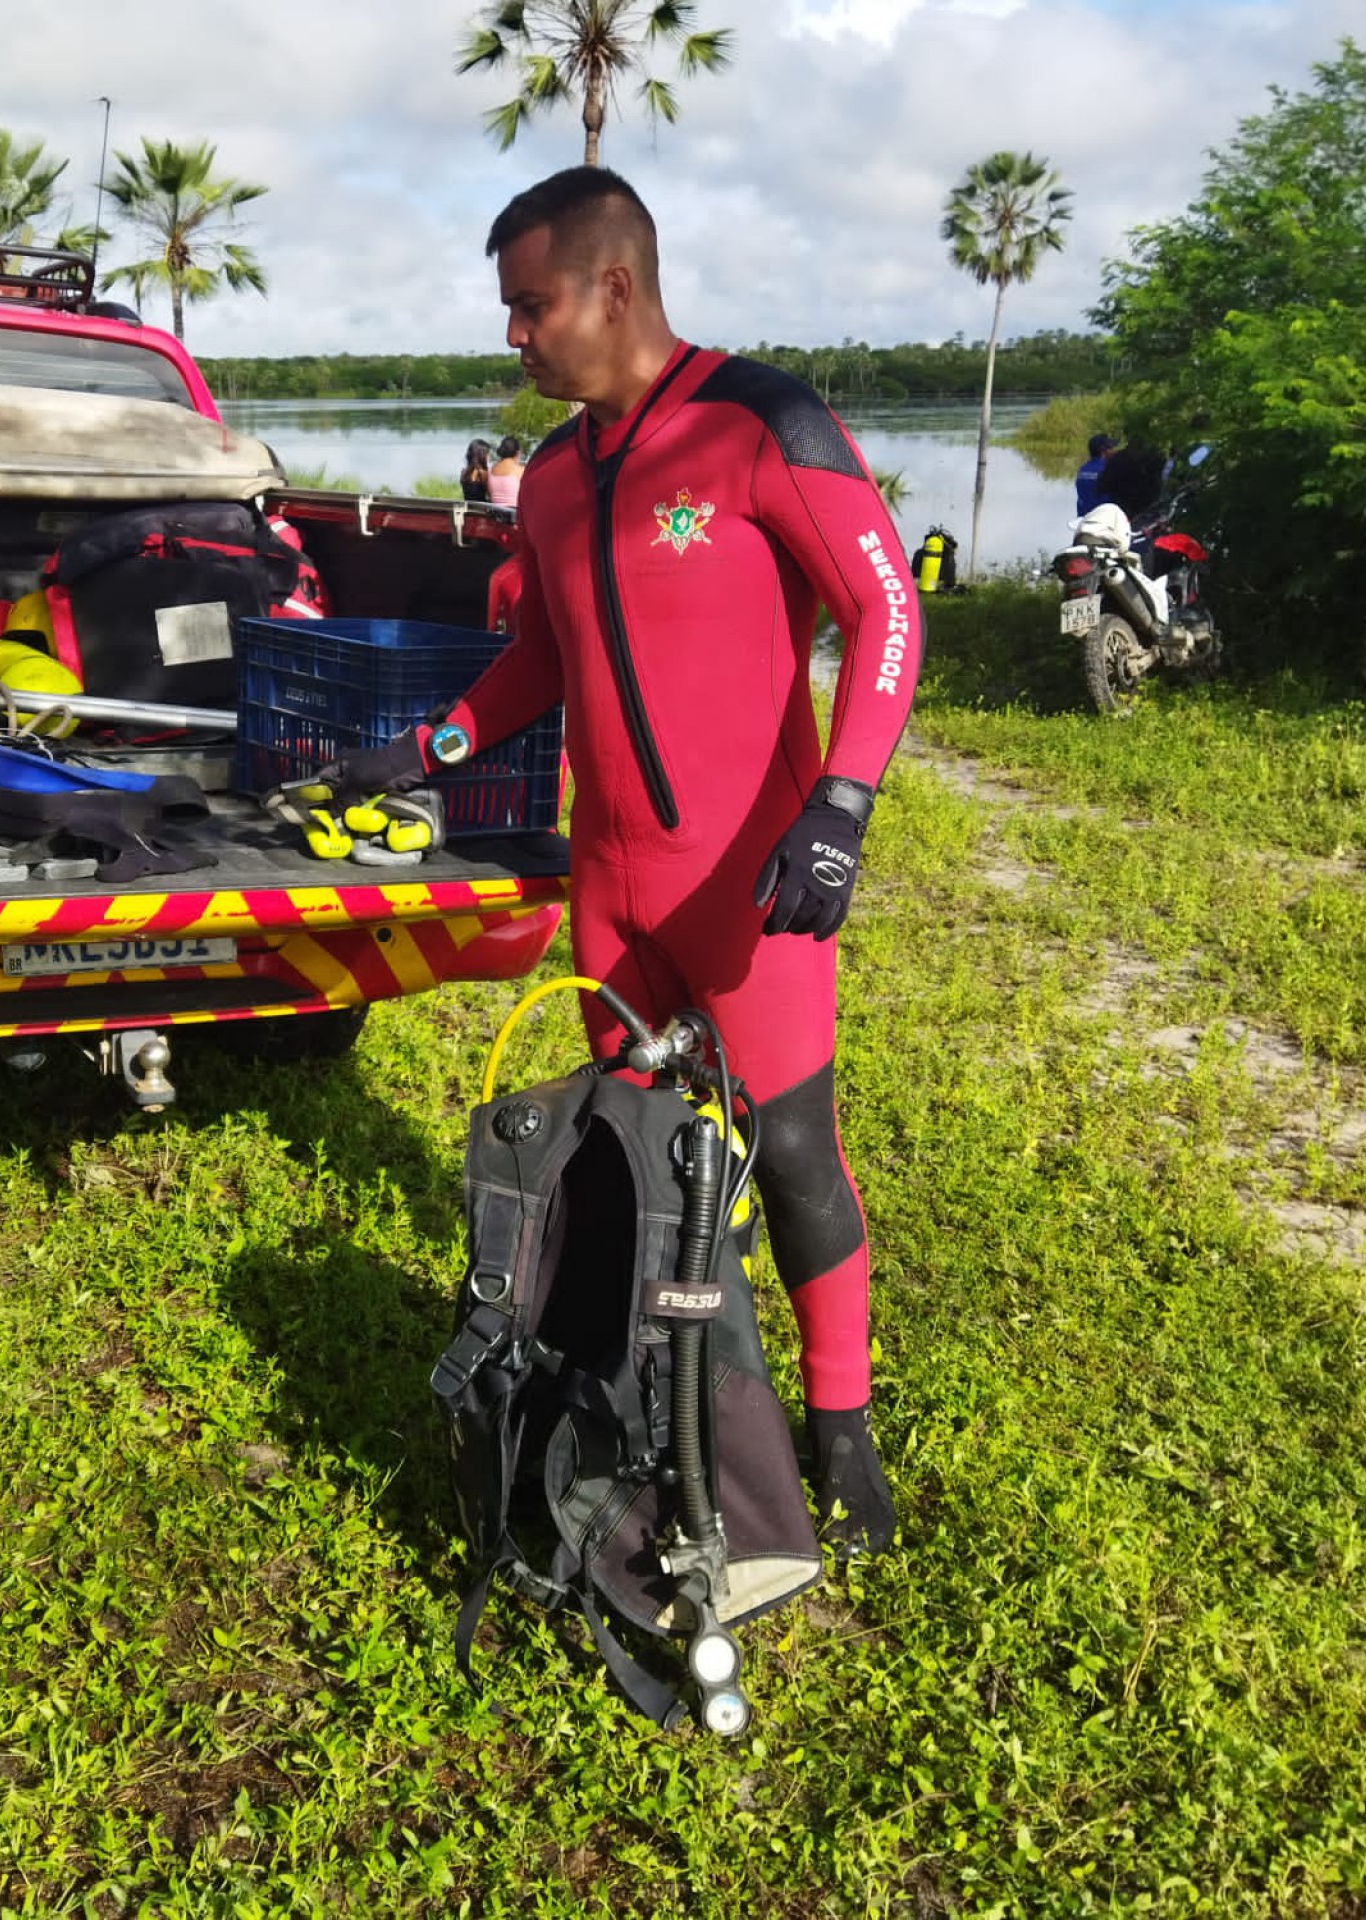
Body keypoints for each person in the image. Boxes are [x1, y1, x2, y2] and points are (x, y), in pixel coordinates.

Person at [328, 167, 919, 1556]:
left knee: (790, 1154)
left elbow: (886, 612)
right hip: (615, 892)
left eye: (529, 306)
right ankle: (673, 1395)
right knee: (640, 1147)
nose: (513, 337)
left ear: (613, 285)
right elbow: (543, 652)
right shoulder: (546, 477)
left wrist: (840, 805)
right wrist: (432, 746)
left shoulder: (759, 424)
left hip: (749, 884)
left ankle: (843, 1427)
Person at [1075, 432, 1117, 518]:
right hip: (1103, 517)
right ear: (1103, 451)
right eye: (1111, 448)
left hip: (1083, 517)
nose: (1113, 451)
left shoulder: (1082, 469)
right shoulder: (1108, 469)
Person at [486, 435, 525, 510]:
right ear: (517, 453)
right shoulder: (521, 470)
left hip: (496, 516)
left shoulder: (490, 471)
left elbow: (490, 495)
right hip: (515, 516)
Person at [460, 439, 492, 503]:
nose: (490, 456)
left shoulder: (464, 473)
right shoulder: (484, 474)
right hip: (482, 510)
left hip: (469, 509)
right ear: (483, 455)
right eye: (488, 453)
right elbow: (491, 495)